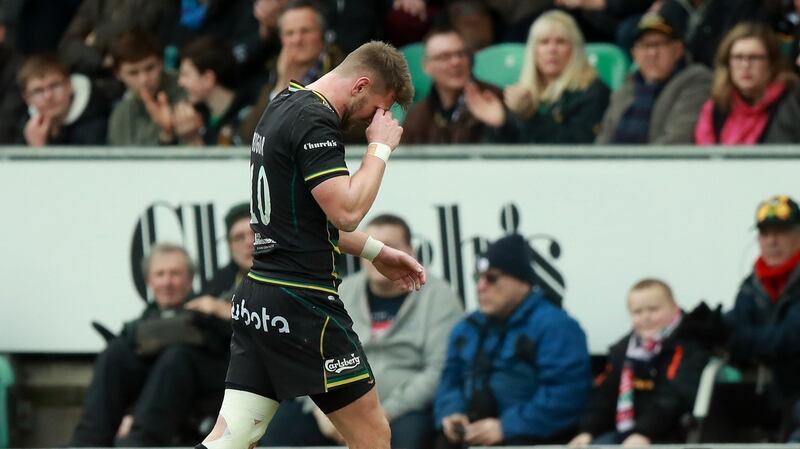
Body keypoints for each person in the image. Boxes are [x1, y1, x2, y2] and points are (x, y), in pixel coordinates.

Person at [195, 41, 422, 449]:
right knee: (373, 434)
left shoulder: (283, 102)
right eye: (378, 108)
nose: (377, 119)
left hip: (259, 297)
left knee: (230, 439)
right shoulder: (316, 120)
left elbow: (305, 222)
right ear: (361, 84)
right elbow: (347, 211)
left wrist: (377, 251)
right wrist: (380, 148)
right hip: (303, 303)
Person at [260, 214, 464, 449]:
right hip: (337, 407)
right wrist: (322, 410)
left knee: (411, 436)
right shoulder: (341, 292)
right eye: (372, 246)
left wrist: (381, 415)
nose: (380, 255)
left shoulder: (439, 297)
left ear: (410, 251)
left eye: (390, 246)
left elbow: (438, 371)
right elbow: (309, 359)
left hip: (401, 412)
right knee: (281, 428)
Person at [433, 234, 590, 448]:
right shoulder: (466, 328)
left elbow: (567, 394)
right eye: (478, 278)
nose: (480, 286)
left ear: (523, 281)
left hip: (530, 437)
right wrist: (451, 413)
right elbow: (449, 380)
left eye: (492, 278)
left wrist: (507, 426)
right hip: (471, 436)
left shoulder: (556, 326)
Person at [71, 243, 231, 447]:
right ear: (149, 281)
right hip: (150, 405)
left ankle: (141, 443)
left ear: (190, 279)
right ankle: (87, 442)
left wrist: (134, 336)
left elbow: (195, 337)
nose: (167, 282)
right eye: (160, 274)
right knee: (114, 354)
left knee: (176, 356)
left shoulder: (207, 310)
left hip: (205, 396)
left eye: (175, 274)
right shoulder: (144, 320)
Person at [569, 279, 710, 447]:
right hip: (625, 432)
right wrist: (588, 430)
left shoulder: (686, 346)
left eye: (653, 309)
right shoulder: (623, 350)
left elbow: (674, 396)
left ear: (674, 307)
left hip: (669, 434)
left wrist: (643, 432)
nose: (645, 317)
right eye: (637, 312)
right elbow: (605, 394)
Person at [466, 10, 610, 144]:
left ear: (574, 49)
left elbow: (574, 146)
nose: (552, 49)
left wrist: (530, 116)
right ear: (533, 51)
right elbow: (510, 152)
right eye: (544, 42)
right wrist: (501, 123)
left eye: (561, 42)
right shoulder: (521, 91)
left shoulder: (593, 90)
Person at [725, 194, 800, 441]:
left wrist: (735, 337)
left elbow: (789, 339)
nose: (772, 241)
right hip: (773, 392)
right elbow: (736, 337)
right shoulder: (752, 284)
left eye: (781, 232)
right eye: (765, 233)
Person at [596, 9, 712, 144]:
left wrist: (635, 164)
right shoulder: (628, 84)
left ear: (678, 49)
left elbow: (677, 140)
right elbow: (605, 136)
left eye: (659, 44)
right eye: (644, 46)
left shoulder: (697, 81)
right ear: (634, 53)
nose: (652, 53)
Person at [238, 0, 344, 144]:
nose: (297, 40)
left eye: (305, 31)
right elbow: (249, 136)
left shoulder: (343, 70)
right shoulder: (274, 72)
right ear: (281, 39)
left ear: (322, 34)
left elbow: (359, 129)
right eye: (289, 33)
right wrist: (282, 86)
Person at [694, 23, 798, 145]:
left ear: (771, 63)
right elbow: (704, 157)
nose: (745, 65)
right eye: (738, 57)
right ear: (727, 64)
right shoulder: (714, 109)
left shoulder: (792, 103)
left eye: (754, 58)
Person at [402, 27, 501, 144]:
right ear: (426, 66)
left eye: (461, 54)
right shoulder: (417, 117)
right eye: (444, 57)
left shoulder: (493, 98)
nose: (456, 62)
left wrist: (500, 126)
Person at [107, 29, 185, 146]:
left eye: (150, 68)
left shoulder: (188, 91)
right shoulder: (120, 115)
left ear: (161, 62)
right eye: (133, 73)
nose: (144, 79)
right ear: (118, 74)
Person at [16, 54, 109, 146]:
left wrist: (38, 148)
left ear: (70, 86)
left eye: (55, 86)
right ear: (27, 98)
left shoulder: (96, 124)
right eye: (38, 91)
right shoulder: (26, 124)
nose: (48, 96)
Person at [175, 35, 252, 146]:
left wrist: (194, 140)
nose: (180, 83)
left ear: (208, 78)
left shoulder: (247, 116)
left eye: (185, 75)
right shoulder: (197, 117)